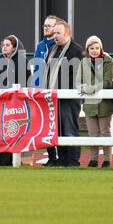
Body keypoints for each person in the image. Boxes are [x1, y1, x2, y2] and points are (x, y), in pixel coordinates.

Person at [44, 20, 84, 167]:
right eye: (54, 32)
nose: (54, 35)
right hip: (54, 97)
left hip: (69, 98)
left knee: (69, 128)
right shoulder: (54, 49)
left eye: (58, 32)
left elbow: (82, 75)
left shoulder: (77, 50)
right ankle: (61, 159)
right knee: (58, 129)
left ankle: (73, 161)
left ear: (67, 33)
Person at [0, 34, 30, 166]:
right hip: (3, 101)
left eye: (7, 45)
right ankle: (1, 159)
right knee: (3, 129)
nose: (4, 47)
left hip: (18, 102)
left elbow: (28, 81)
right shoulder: (0, 60)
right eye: (3, 45)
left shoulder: (22, 61)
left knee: (19, 129)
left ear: (14, 47)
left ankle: (23, 160)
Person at [76, 35, 113, 168]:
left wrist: (92, 89)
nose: (94, 50)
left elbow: (107, 81)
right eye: (92, 48)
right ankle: (93, 159)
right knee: (92, 133)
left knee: (104, 132)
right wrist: (83, 89)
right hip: (89, 105)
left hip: (104, 103)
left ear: (101, 48)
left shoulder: (108, 61)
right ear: (88, 49)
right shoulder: (83, 62)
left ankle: (107, 159)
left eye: (97, 47)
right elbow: (78, 81)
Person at [33, 15, 62, 166]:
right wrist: (35, 87)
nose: (46, 28)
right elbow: (37, 68)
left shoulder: (58, 46)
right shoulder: (40, 45)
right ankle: (52, 157)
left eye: (49, 26)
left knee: (57, 123)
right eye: (45, 25)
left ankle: (62, 156)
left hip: (54, 89)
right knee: (45, 124)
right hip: (41, 90)